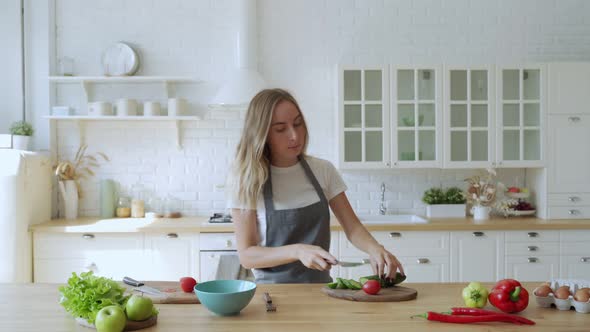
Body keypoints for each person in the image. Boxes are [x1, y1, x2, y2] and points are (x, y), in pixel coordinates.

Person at [227, 88, 404, 284]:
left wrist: (374, 248)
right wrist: (298, 250)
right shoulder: (247, 181)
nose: (294, 135)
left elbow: (352, 227)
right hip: (272, 295)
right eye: (280, 129)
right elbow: (247, 256)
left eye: (298, 124)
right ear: (262, 134)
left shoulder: (323, 170)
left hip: (320, 291)